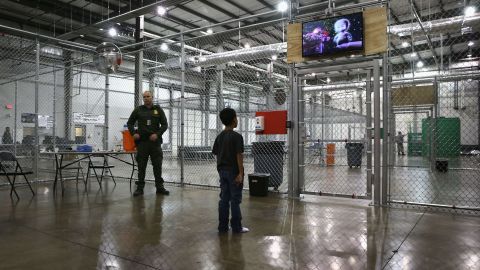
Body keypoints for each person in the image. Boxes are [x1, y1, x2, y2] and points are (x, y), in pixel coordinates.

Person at [212, 108, 249, 234]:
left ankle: (222, 227)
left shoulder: (219, 137)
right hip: (234, 171)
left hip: (222, 171)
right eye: (236, 117)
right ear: (234, 120)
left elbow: (217, 154)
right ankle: (237, 227)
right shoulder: (237, 137)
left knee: (224, 199)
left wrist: (220, 169)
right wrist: (240, 173)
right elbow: (239, 155)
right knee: (235, 200)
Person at [127, 91, 169, 196]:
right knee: (141, 166)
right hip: (142, 143)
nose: (146, 98)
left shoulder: (158, 110)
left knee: (157, 165)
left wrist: (157, 134)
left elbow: (164, 124)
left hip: (155, 143)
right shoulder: (138, 110)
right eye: (144, 97)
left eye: (148, 96)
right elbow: (130, 123)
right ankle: (140, 188)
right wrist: (133, 133)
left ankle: (159, 187)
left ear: (152, 97)